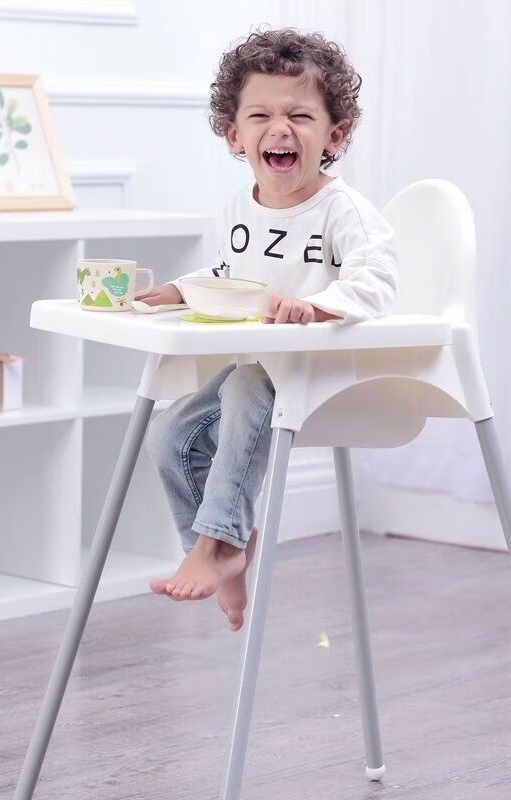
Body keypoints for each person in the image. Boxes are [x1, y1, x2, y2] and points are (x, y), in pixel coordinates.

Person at [137, 27, 399, 631]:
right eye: (259, 115)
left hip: (327, 373)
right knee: (168, 433)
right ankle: (219, 551)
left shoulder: (343, 211)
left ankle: (218, 544)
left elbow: (379, 282)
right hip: (263, 366)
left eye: (300, 116)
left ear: (334, 135)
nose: (279, 128)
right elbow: (231, 275)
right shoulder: (240, 207)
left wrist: (318, 306)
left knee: (245, 385)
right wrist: (180, 289)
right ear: (234, 135)